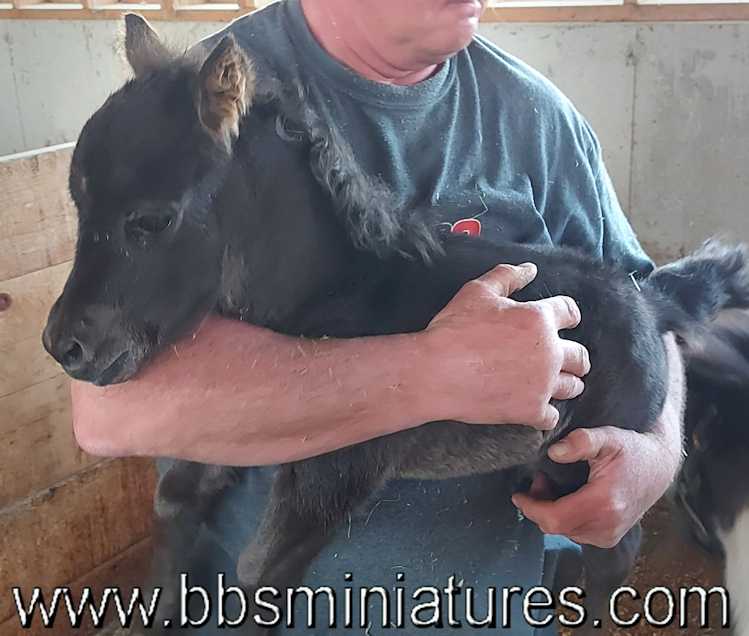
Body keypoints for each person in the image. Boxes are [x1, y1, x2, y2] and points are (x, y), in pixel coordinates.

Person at [71, 0, 685, 632]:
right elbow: (107, 410)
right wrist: (427, 373)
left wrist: (656, 455)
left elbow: (643, 301)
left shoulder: (538, 117)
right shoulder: (197, 102)